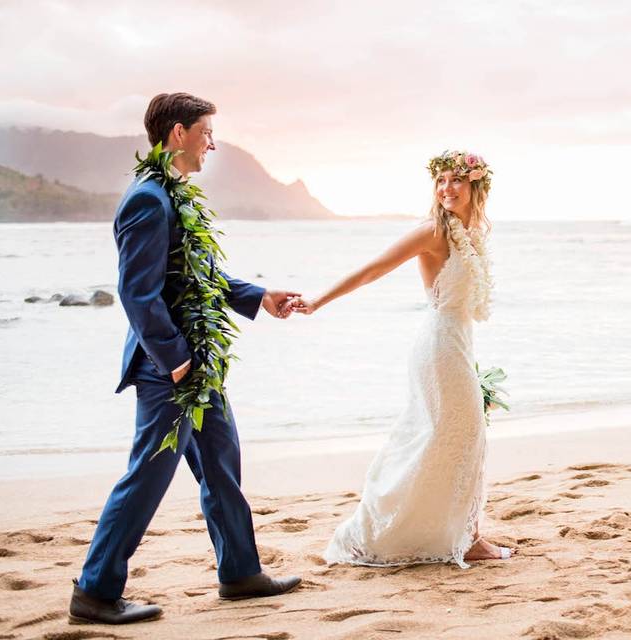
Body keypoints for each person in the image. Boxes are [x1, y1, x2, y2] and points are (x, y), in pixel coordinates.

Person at [70, 93, 301, 625]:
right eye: (206, 133)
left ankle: (241, 573)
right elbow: (137, 293)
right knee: (148, 475)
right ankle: (95, 591)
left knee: (221, 462)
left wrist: (258, 296)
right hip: (168, 369)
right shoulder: (148, 199)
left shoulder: (176, 196)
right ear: (178, 134)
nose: (212, 143)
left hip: (197, 362)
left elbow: (197, 280)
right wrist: (176, 360)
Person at [291, 150, 511, 567]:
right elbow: (373, 269)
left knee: (460, 437)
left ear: (475, 186)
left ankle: (465, 534)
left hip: (458, 342)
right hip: (439, 347)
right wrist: (319, 300)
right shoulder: (432, 231)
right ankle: (459, 539)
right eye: (441, 181)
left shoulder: (472, 232)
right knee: (459, 435)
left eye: (456, 180)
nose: (446, 188)